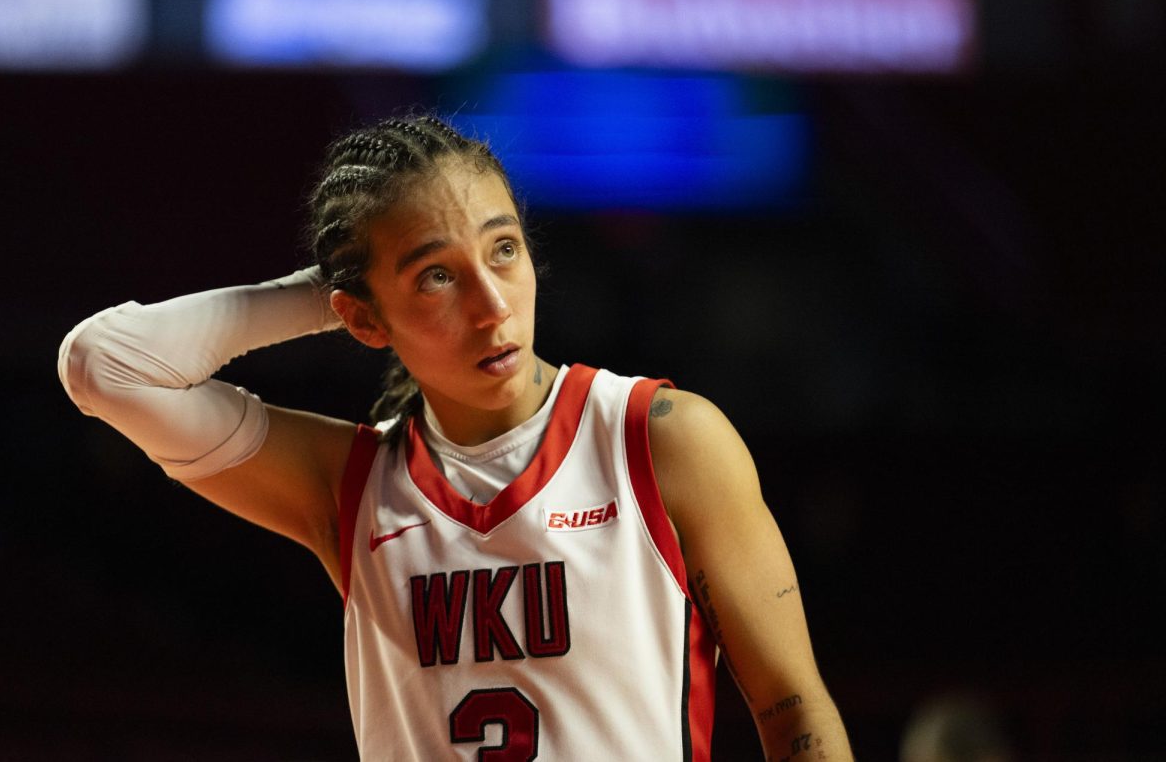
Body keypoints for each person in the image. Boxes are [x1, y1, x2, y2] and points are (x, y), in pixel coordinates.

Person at [58, 113, 853, 760]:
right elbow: (103, 365)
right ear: (362, 319)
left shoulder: (661, 437)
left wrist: (396, 275)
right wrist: (341, 284)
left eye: (503, 249)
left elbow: (793, 713)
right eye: (437, 275)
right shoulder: (349, 484)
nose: (491, 304)